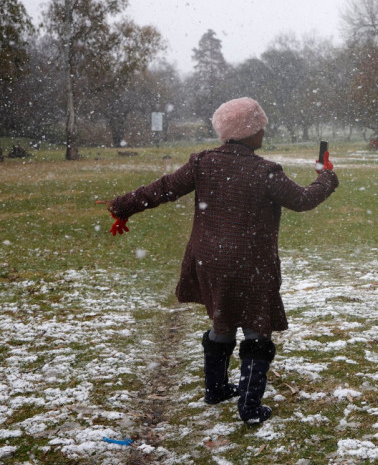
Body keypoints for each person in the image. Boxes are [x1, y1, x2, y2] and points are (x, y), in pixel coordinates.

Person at [102, 97, 338, 423]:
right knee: (257, 329)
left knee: (222, 319)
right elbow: (302, 199)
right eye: (260, 127)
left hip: (209, 260)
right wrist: (326, 177)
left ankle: (216, 389)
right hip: (251, 263)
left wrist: (123, 204)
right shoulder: (264, 171)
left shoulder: (202, 163)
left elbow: (164, 188)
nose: (264, 132)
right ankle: (250, 408)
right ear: (248, 132)